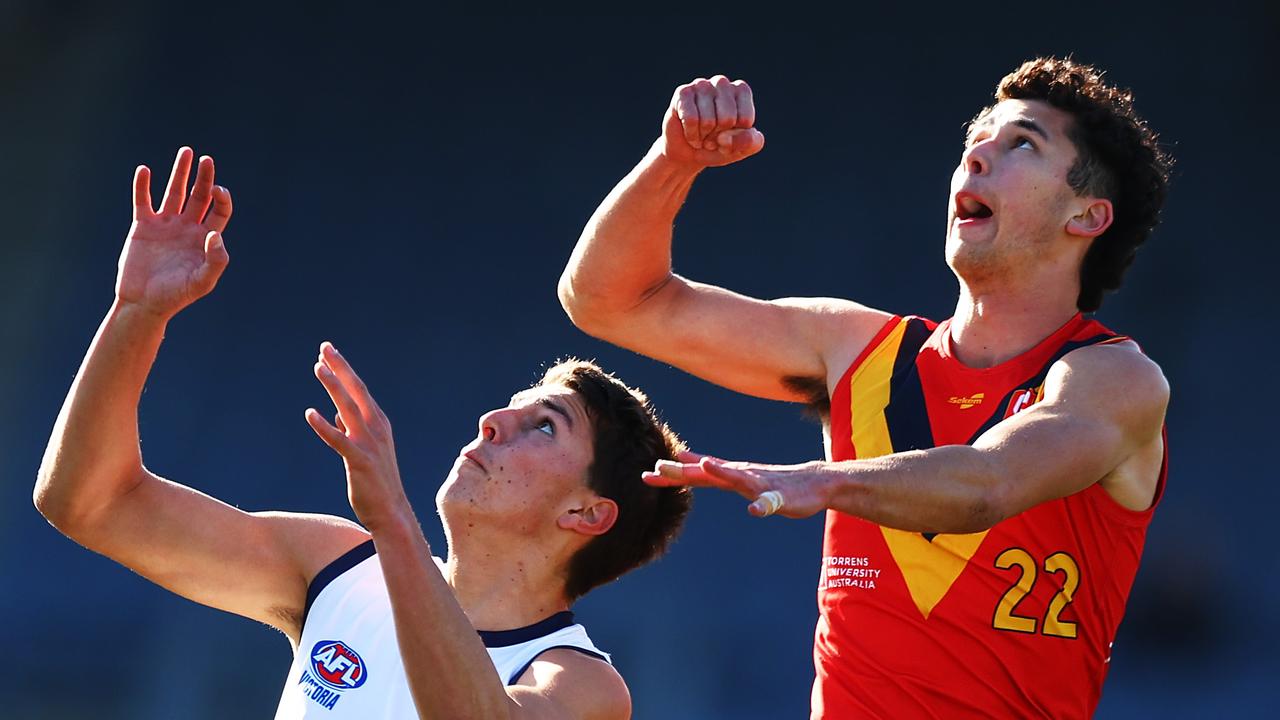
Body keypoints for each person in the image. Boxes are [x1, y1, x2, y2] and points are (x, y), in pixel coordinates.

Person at [559, 57, 1172, 719]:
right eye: (976, 139)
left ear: (1087, 215)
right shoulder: (858, 350)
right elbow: (606, 300)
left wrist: (825, 481)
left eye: (1022, 142)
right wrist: (672, 161)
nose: (978, 155)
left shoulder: (1112, 379)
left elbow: (989, 484)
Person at [34, 148, 691, 719]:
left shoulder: (580, 683)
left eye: (544, 426)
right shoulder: (339, 569)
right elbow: (87, 503)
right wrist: (136, 313)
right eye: (512, 409)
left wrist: (396, 520)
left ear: (586, 512)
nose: (493, 422)